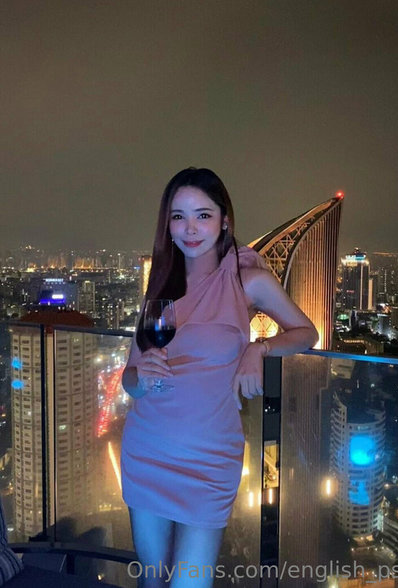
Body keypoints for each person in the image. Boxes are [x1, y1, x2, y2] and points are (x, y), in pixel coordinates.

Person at [120, 167, 318, 587]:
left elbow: (306, 332)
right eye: (179, 216)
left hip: (210, 458)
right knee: (152, 580)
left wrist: (259, 348)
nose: (190, 229)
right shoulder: (160, 285)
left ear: (225, 220)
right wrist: (142, 374)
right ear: (168, 224)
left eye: (203, 215)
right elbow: (129, 380)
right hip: (148, 450)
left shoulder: (249, 281)